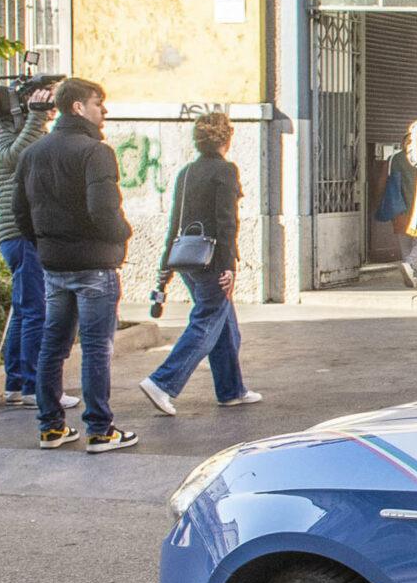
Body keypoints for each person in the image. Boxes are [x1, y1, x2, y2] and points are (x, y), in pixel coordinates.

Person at [14, 77, 137, 453]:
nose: (105, 112)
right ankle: (100, 429)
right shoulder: (95, 153)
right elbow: (104, 209)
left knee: (54, 344)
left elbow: (20, 212)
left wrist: (46, 245)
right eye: (99, 104)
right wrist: (122, 235)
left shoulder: (33, 153)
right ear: (78, 107)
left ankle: (50, 427)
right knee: (97, 346)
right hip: (94, 265)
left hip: (54, 265)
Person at [139, 111, 261, 415]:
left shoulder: (187, 172)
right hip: (212, 261)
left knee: (227, 329)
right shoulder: (225, 171)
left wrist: (165, 267)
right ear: (227, 138)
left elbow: (175, 222)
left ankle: (231, 390)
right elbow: (226, 222)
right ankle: (162, 382)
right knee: (207, 323)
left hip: (187, 259)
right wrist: (229, 267)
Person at [0, 76, 55, 404]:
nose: (50, 108)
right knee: (35, 310)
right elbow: (14, 158)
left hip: (21, 235)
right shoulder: (4, 129)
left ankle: (14, 383)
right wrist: (36, 117)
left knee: (23, 309)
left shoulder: (25, 128)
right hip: (21, 233)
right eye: (44, 99)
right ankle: (32, 387)